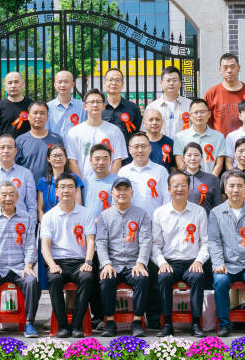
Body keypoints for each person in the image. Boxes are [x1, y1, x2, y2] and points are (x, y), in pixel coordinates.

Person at [151, 171, 209, 337]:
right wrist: (162, 263)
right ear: (169, 189)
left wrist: (199, 261)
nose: (179, 189)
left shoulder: (199, 211)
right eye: (175, 186)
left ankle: (196, 323)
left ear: (189, 188)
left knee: (198, 277)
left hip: (192, 261)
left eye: (183, 185)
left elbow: (206, 243)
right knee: (163, 278)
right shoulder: (160, 213)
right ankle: (167, 324)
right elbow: (155, 245)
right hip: (169, 262)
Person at [208, 170, 245, 337]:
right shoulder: (216, 212)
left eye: (240, 186)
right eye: (231, 185)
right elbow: (214, 241)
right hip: (227, 264)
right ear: (225, 188)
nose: (235, 190)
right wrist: (218, 263)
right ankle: (224, 324)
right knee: (220, 281)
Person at [0, 181, 40, 337]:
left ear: (17, 197)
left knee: (31, 281)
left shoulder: (27, 218)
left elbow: (30, 245)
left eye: (11, 194)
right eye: (4, 195)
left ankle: (29, 323)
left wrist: (28, 265)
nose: (8, 198)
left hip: (20, 267)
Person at [95, 177, 153, 338]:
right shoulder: (104, 216)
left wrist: (141, 262)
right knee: (106, 279)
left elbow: (146, 240)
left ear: (131, 192)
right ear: (112, 193)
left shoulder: (142, 214)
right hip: (113, 263)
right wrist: (106, 264)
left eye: (125, 189)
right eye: (118, 189)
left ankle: (137, 321)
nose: (122, 193)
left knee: (142, 278)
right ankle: (110, 322)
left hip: (134, 263)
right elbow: (101, 242)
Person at [65, 89, 128, 176]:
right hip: (83, 181)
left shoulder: (114, 130)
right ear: (85, 106)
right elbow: (72, 160)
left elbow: (117, 160)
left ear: (104, 106)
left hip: (107, 182)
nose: (95, 105)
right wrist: (81, 182)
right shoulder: (74, 132)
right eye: (91, 102)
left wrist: (110, 180)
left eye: (98, 102)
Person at [0, 133, 35, 222]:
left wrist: (32, 225)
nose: (6, 151)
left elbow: (31, 205)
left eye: (9, 147)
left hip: (20, 225)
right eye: (2, 147)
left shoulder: (26, 174)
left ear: (15, 151)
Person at [204, 53, 245, 136]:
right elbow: (206, 119)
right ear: (220, 70)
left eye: (233, 67)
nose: (229, 71)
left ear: (239, 68)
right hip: (221, 141)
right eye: (225, 67)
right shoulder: (212, 92)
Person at [119, 131, 170, 212]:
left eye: (143, 146)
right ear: (129, 149)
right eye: (136, 146)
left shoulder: (161, 171)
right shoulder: (123, 172)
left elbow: (167, 200)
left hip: (154, 219)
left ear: (150, 148)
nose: (140, 150)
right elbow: (117, 201)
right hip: (130, 219)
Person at [174, 99, 226, 175]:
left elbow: (219, 165)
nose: (199, 115)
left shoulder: (219, 137)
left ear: (209, 114)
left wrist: (210, 180)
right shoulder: (179, 137)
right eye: (195, 112)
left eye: (202, 112)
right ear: (190, 116)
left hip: (210, 180)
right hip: (188, 180)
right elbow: (180, 164)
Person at [15, 102, 65, 181]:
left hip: (51, 186)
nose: (38, 116)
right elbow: (15, 167)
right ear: (28, 116)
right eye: (35, 113)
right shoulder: (20, 141)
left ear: (47, 117)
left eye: (42, 113)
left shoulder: (57, 139)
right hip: (28, 186)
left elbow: (64, 165)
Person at [147, 65, 193, 140]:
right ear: (161, 83)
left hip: (185, 146)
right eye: (168, 80)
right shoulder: (152, 107)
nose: (171, 83)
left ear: (180, 83)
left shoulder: (190, 105)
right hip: (160, 146)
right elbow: (145, 131)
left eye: (174, 80)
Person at [38, 143, 84, 215]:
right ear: (48, 159)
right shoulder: (43, 182)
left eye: (61, 155)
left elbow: (78, 205)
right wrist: (44, 221)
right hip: (49, 220)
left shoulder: (74, 178)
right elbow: (40, 209)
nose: (58, 158)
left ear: (66, 158)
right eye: (55, 156)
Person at [99, 68, 142, 139]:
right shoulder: (98, 108)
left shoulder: (133, 108)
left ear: (122, 84)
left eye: (117, 80)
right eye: (110, 80)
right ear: (104, 83)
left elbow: (137, 133)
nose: (114, 83)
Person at [180, 142, 221, 211]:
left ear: (201, 157)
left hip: (205, 217)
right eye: (189, 155)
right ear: (183, 158)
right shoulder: (177, 178)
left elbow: (217, 206)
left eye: (196, 155)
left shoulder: (212, 179)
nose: (193, 158)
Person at [0, 70, 32, 135]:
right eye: (10, 83)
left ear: (23, 84)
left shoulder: (32, 105)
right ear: (5, 87)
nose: (13, 86)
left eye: (16, 82)